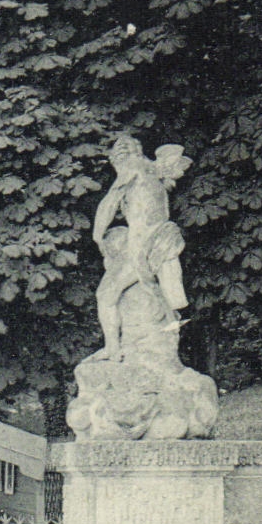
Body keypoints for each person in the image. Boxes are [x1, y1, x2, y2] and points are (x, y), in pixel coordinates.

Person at [90, 135, 192, 362]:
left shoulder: (133, 166)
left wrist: (97, 235)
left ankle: (112, 349)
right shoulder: (153, 171)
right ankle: (158, 333)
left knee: (106, 294)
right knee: (152, 294)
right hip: (160, 236)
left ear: (121, 156)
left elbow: (110, 201)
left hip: (142, 242)